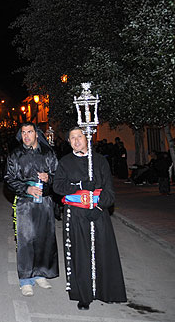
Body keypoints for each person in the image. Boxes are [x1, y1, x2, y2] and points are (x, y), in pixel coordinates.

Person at [53, 127, 127, 310]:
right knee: (81, 254)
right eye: (72, 138)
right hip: (76, 214)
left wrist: (100, 207)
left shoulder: (100, 161)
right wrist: (79, 186)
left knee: (101, 250)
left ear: (87, 139)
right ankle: (83, 294)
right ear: (69, 142)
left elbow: (109, 190)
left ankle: (104, 290)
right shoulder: (64, 162)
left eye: (80, 136)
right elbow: (58, 186)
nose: (76, 140)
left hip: (98, 212)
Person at [5, 123, 59, 296]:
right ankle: (26, 279)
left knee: (44, 238)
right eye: (23, 132)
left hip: (44, 202)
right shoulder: (15, 155)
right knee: (26, 240)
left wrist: (49, 178)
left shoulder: (48, 153)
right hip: (24, 203)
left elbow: (59, 176)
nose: (26, 135)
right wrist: (26, 189)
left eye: (30, 132)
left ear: (37, 134)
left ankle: (40, 273)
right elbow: (9, 179)